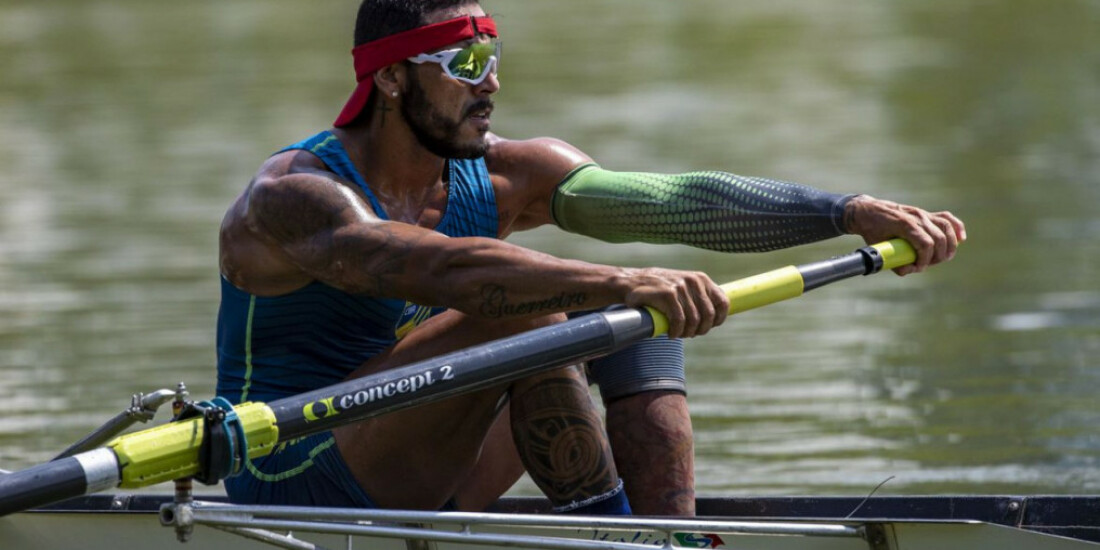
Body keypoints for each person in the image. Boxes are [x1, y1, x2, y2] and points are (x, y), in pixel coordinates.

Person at [216, 0, 965, 516]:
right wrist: (622, 278)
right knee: (543, 307)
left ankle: (662, 533)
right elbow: (439, 271)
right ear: (388, 79)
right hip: (291, 473)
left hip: (428, 467)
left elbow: (674, 202)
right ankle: (605, 523)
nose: (492, 82)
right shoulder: (292, 196)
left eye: (495, 55)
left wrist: (843, 212)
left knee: (628, 313)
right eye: (466, 61)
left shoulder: (511, 174)